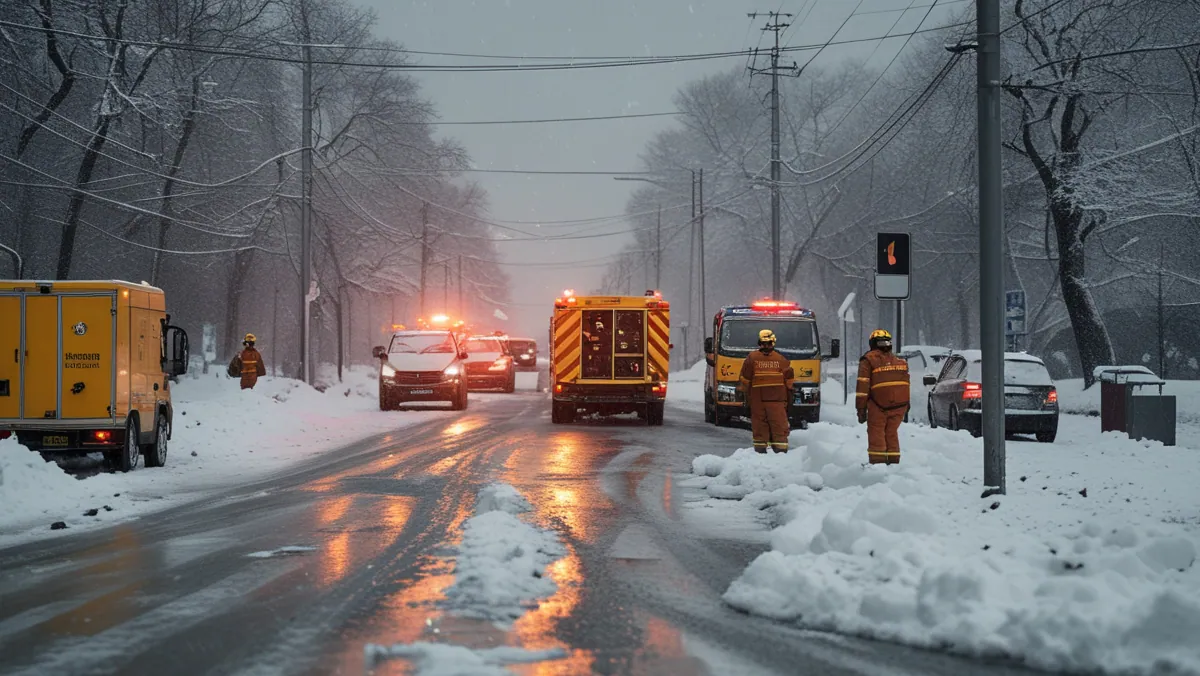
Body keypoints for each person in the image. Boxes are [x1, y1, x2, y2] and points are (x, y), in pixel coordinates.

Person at [855, 329, 910, 464]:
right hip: (900, 405)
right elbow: (905, 383)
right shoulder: (900, 361)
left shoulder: (868, 360)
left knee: (876, 433)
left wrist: (861, 409)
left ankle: (877, 465)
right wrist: (907, 404)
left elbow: (862, 387)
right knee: (891, 433)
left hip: (878, 405)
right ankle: (894, 463)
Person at [739, 329, 794, 453]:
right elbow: (789, 382)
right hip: (778, 401)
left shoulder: (752, 358)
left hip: (758, 402)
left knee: (760, 428)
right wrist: (789, 400)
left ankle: (761, 454)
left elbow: (745, 380)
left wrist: (745, 399)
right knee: (779, 428)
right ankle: (780, 454)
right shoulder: (781, 359)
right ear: (773, 343)